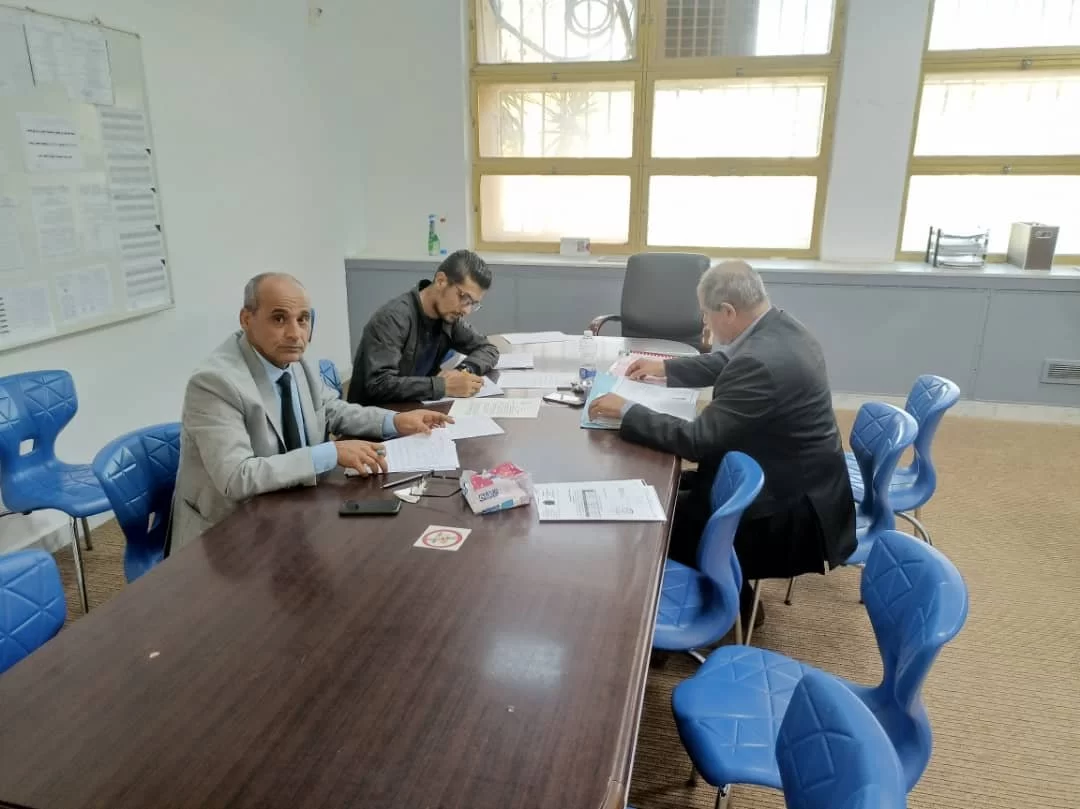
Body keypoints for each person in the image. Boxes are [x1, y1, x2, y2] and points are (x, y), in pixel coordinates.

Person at [588, 260, 855, 625]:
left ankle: (725, 602)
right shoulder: (781, 327)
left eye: (706, 315)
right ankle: (733, 589)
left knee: (649, 521)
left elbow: (697, 441)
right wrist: (667, 368)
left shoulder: (760, 363)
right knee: (666, 488)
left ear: (727, 311)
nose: (705, 324)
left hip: (785, 514)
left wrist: (627, 411)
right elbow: (728, 362)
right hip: (800, 483)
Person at [171, 273, 451, 554]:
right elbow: (237, 477)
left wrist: (393, 421)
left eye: (303, 319)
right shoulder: (214, 383)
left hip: (289, 509)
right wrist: (329, 453)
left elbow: (329, 408)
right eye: (279, 318)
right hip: (227, 539)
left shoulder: (292, 358)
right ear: (246, 319)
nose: (295, 334)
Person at [348, 249, 499, 405]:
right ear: (441, 281)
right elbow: (379, 384)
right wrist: (443, 386)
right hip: (378, 414)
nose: (466, 310)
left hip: (415, 406)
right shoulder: (392, 319)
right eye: (464, 298)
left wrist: (462, 372)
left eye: (472, 303)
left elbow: (488, 349)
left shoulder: (448, 318)